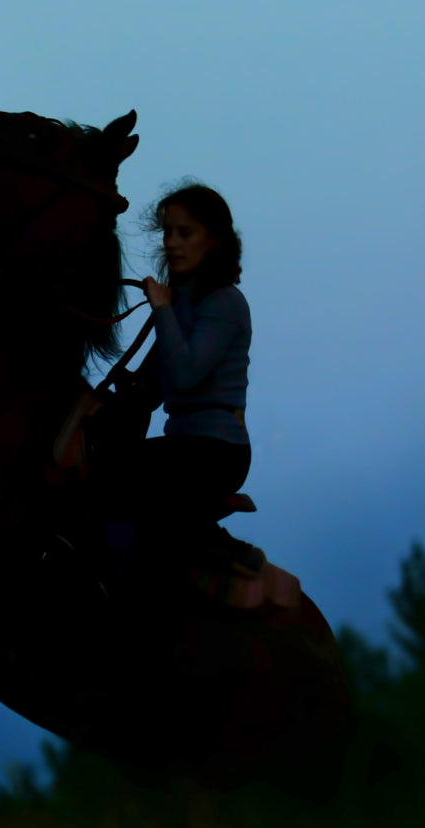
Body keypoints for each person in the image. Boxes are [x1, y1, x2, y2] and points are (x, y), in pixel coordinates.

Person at [104, 182, 258, 571]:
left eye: (184, 233)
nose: (172, 243)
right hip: (186, 445)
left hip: (215, 452)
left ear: (214, 240)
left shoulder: (224, 303)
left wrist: (161, 310)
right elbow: (156, 382)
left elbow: (187, 374)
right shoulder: (182, 301)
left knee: (118, 484)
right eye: (168, 232)